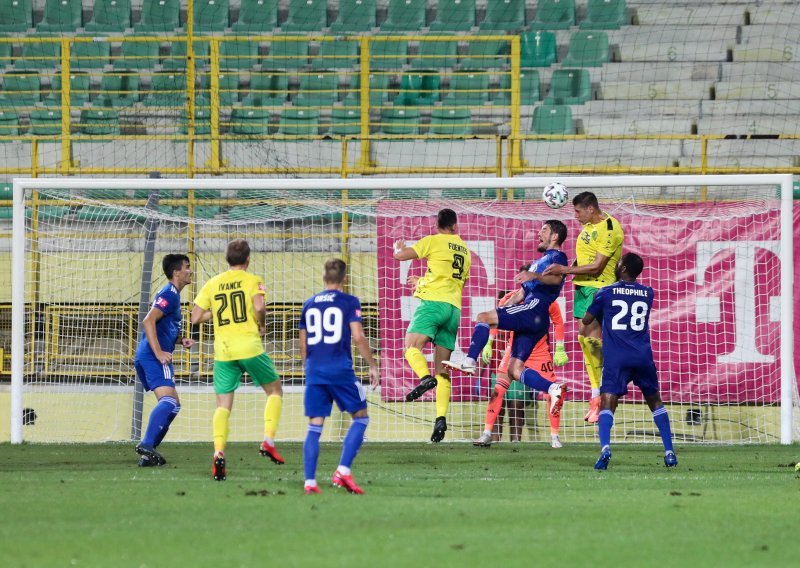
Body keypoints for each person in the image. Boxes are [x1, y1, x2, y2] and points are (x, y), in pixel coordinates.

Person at [444, 221, 569, 419]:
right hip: (534, 316)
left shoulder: (557, 256)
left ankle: (469, 361)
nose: (539, 233)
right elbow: (521, 293)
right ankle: (553, 388)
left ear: (555, 236)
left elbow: (556, 279)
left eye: (544, 230)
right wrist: (506, 307)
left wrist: (532, 274)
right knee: (514, 369)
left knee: (482, 317)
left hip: (533, 310)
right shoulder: (541, 260)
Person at [191, 239, 284, 481]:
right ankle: (268, 440)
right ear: (248, 259)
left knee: (223, 405)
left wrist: (220, 314)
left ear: (226, 259)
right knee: (274, 391)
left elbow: (195, 317)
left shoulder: (213, 283)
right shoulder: (253, 280)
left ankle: (219, 452)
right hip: (250, 347)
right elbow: (260, 307)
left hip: (223, 352)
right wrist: (261, 323)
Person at [582, 253, 677, 470]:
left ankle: (605, 448)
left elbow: (587, 320)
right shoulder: (648, 293)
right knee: (654, 401)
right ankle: (669, 451)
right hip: (642, 355)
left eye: (618, 263)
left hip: (616, 357)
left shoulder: (605, 292)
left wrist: (595, 298)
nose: (616, 265)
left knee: (608, 402)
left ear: (623, 268)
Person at [299, 259, 380, 495]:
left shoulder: (309, 304)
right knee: (361, 417)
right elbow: (358, 337)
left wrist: (310, 368)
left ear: (324, 277)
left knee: (314, 426)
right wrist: (372, 365)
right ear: (344, 278)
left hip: (314, 371)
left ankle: (310, 482)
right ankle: (343, 470)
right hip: (340, 370)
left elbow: (303, 342)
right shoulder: (349, 302)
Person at [543, 191, 624, 423]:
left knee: (595, 343)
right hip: (582, 289)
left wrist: (564, 270)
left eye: (578, 211)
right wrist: (569, 271)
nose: (575, 216)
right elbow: (585, 258)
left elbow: (598, 266)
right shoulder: (589, 226)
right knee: (584, 341)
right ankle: (596, 394)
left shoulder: (610, 228)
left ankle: (605, 396)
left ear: (590, 209)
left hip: (600, 288)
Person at [393, 208, 472, 443]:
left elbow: (402, 256)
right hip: (454, 310)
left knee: (411, 347)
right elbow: (453, 280)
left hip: (433, 305)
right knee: (444, 369)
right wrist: (422, 281)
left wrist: (398, 247)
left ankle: (424, 378)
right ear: (455, 226)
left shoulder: (433, 240)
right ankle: (440, 418)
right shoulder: (465, 250)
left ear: (437, 224)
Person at [475, 266, 569, 448]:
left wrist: (559, 347)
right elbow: (495, 318)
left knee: (553, 393)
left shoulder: (547, 300)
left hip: (539, 351)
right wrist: (489, 342)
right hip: (514, 349)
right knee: (498, 391)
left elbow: (558, 322)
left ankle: (555, 436)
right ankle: (486, 433)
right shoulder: (511, 297)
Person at [134, 254, 194, 467]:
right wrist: (159, 352)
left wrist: (179, 340)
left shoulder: (171, 294)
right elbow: (148, 320)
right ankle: (147, 444)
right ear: (176, 272)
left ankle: (147, 455)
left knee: (174, 405)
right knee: (168, 401)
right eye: (187, 267)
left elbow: (161, 327)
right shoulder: (170, 294)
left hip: (145, 355)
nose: (190, 271)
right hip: (153, 356)